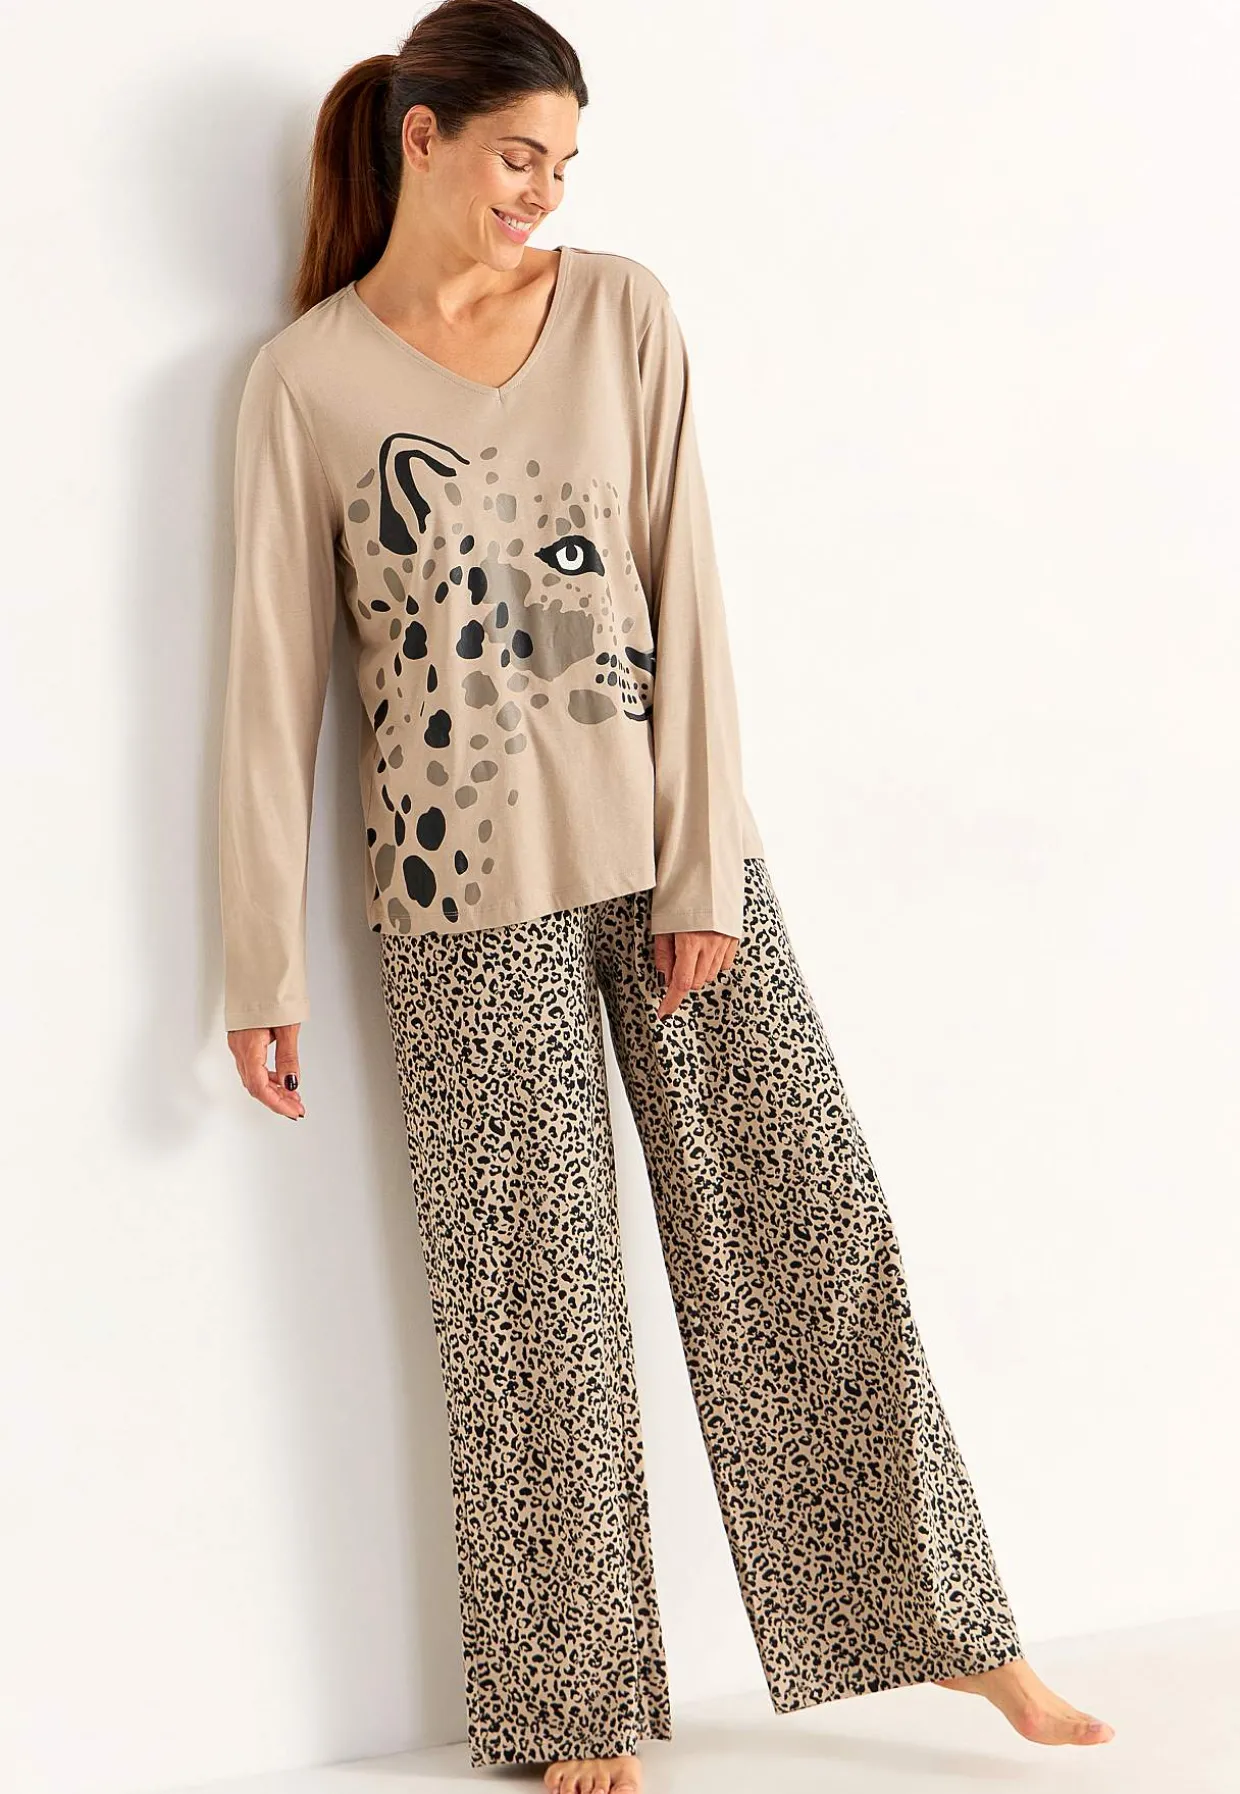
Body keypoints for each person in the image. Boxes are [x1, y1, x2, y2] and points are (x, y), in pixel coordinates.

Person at [217, 3, 1116, 1789]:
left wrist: (705, 862)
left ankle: (955, 1624)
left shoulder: (621, 310)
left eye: (565, 163)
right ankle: (567, 1705)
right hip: (456, 905)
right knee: (528, 1302)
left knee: (804, 1226)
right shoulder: (305, 382)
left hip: (667, 860)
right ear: (421, 137)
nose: (543, 193)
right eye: (518, 155)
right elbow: (268, 687)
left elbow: (682, 589)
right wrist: (262, 964)